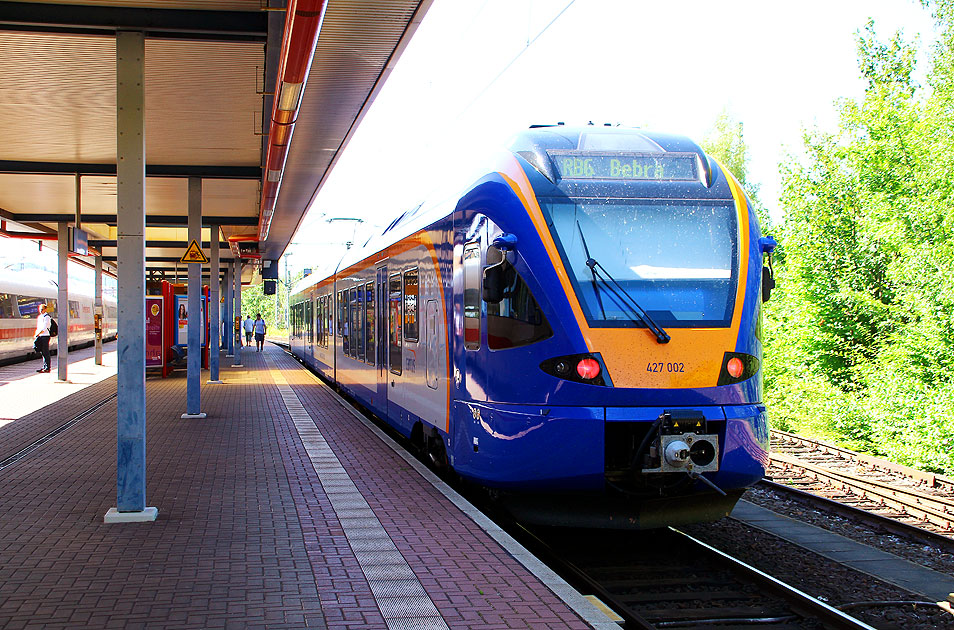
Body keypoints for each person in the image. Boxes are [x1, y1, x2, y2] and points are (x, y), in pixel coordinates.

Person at [33, 303, 52, 373]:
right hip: (40, 336)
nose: (41, 311)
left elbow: (44, 328)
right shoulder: (40, 317)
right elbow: (38, 327)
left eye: (42, 309)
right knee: (42, 351)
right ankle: (44, 366)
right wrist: (37, 334)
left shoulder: (47, 317)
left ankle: (47, 367)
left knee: (45, 352)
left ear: (45, 309)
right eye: (40, 309)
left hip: (45, 336)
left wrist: (38, 334)